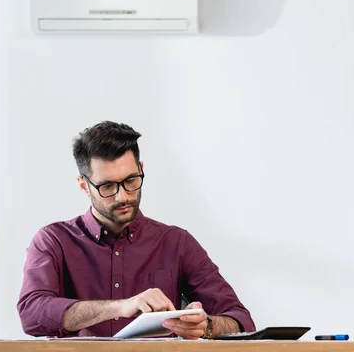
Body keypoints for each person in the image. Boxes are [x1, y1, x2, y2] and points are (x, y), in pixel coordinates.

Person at [17, 121, 255, 339]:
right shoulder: (53, 240)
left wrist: (207, 325)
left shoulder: (176, 243)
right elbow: (31, 314)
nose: (123, 196)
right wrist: (121, 306)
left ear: (141, 169)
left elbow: (241, 320)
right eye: (107, 186)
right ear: (83, 185)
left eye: (131, 180)